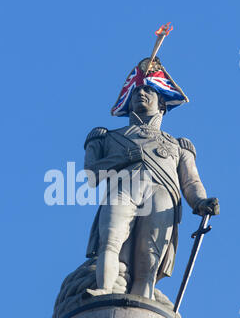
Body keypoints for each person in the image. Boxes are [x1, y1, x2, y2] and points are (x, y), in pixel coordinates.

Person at [83, 59, 219, 300]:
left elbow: (190, 182)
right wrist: (122, 157)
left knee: (149, 255)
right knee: (111, 239)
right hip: (125, 187)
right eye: (136, 90)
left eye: (148, 89)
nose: (141, 94)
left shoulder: (178, 146)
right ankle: (104, 290)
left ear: (163, 103)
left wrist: (200, 202)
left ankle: (142, 303)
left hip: (162, 194)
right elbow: (92, 174)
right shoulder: (107, 137)